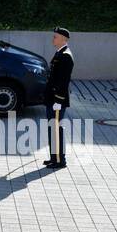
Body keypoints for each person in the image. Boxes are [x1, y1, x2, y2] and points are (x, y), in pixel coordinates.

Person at [43, 26, 74, 169]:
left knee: (57, 129)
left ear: (63, 39)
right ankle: (53, 157)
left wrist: (58, 101)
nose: (53, 38)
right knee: (52, 128)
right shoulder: (59, 53)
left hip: (57, 100)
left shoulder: (66, 56)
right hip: (52, 98)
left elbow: (63, 81)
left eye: (55, 36)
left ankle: (60, 160)